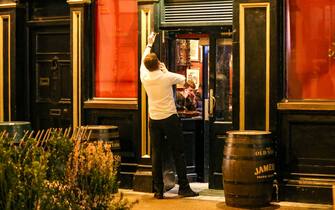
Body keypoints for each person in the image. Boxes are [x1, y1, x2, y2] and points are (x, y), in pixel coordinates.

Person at [140, 32, 199, 199]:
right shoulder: (166, 77)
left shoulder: (144, 75)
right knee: (178, 152)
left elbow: (145, 57)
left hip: (154, 119)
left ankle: (158, 190)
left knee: (156, 154)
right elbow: (186, 81)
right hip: (170, 118)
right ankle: (184, 187)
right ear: (158, 63)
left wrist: (149, 43)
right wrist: (165, 69)